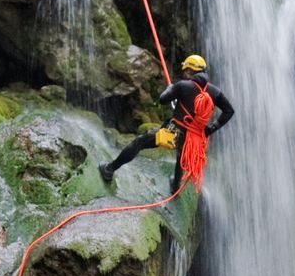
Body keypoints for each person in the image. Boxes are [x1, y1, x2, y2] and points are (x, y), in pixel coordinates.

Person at [99, 54, 234, 194]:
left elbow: (163, 100)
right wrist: (210, 129)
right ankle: (175, 186)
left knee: (140, 142)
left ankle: (109, 169)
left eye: (186, 71)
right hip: (193, 140)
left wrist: (170, 89)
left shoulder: (182, 86)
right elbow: (229, 111)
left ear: (189, 70)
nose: (185, 73)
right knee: (181, 156)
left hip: (174, 132)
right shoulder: (214, 92)